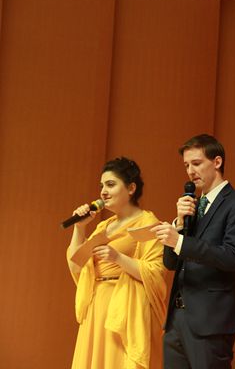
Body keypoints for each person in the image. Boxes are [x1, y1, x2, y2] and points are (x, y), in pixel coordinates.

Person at [152, 134, 235, 369]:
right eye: (186, 165)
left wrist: (180, 241)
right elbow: (170, 263)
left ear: (217, 162)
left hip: (211, 320)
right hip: (176, 318)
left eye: (197, 163)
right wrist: (179, 224)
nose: (190, 171)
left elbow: (231, 256)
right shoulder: (192, 206)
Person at [67, 157, 167, 369]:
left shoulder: (147, 223)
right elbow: (76, 265)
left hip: (125, 311)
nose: (103, 192)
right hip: (97, 307)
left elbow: (156, 272)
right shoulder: (104, 226)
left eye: (110, 184)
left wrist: (118, 258)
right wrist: (79, 228)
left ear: (131, 188)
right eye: (101, 186)